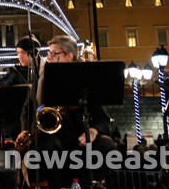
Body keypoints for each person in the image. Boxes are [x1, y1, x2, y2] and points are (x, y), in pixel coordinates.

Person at [16, 35, 116, 189]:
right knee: (52, 146)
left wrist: (93, 131)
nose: (48, 57)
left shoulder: (86, 80)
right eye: (49, 53)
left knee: (106, 144)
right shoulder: (43, 78)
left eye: (54, 54)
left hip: (78, 137)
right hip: (50, 136)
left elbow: (103, 119)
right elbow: (26, 109)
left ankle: (91, 184)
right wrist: (24, 130)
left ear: (69, 56)